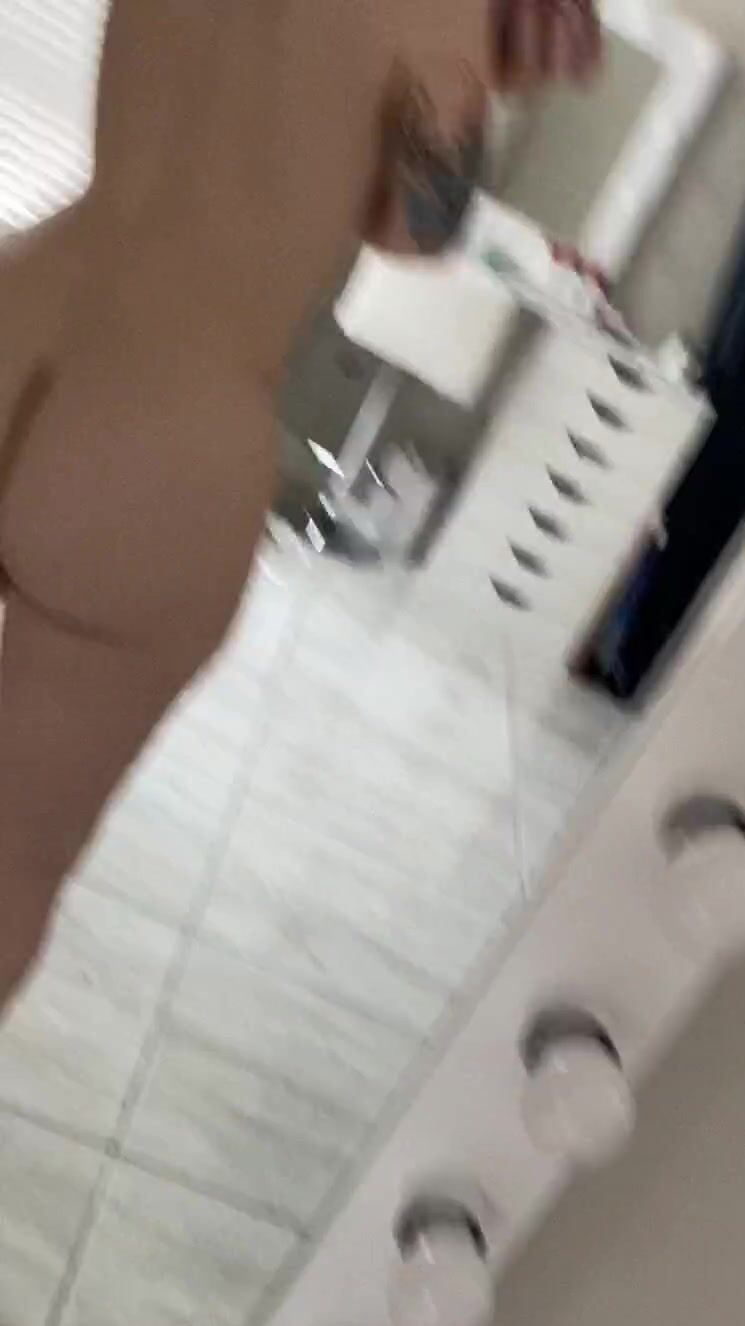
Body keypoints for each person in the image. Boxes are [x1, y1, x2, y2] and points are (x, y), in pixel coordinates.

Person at [0, 0, 601, 1011]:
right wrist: (488, 80)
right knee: (12, 854)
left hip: (28, 301)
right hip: (165, 430)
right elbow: (417, 226)